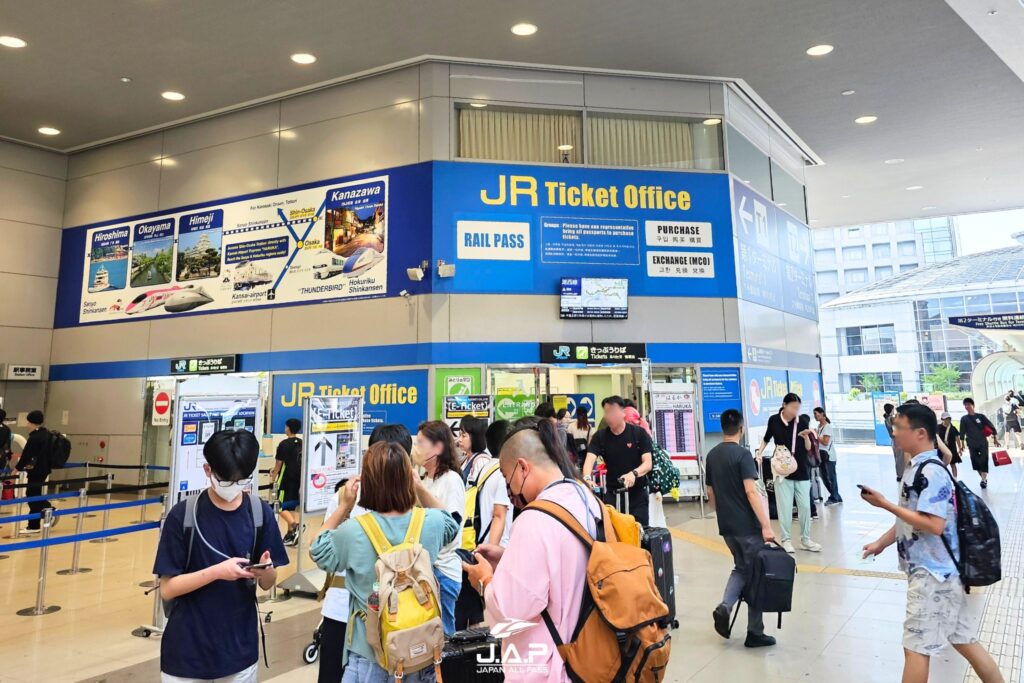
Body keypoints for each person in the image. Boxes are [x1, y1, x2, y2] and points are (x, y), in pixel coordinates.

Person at [861, 403, 1004, 683]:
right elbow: (913, 518)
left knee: (915, 649)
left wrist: (885, 505)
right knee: (964, 640)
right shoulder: (916, 468)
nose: (893, 433)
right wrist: (881, 542)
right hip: (942, 574)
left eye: (899, 427)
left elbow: (933, 525)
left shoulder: (931, 471)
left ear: (920, 433)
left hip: (932, 577)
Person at [462, 419, 601, 682]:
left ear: (523, 467)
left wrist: (484, 580)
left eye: (506, 478)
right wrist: (509, 560)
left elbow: (510, 610)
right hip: (588, 656)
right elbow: (565, 564)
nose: (509, 491)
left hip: (548, 665)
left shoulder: (534, 518)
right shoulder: (585, 498)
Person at [311, 441, 459, 683]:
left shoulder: (353, 531)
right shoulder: (430, 522)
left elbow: (318, 549)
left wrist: (344, 506)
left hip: (369, 657)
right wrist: (420, 488)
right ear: (408, 477)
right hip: (419, 653)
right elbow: (451, 523)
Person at [155, 429, 289, 683]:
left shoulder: (259, 513)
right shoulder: (183, 517)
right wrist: (218, 572)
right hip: (187, 654)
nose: (235, 487)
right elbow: (168, 588)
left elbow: (267, 583)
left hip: (239, 652)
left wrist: (267, 570)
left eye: (243, 480)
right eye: (227, 481)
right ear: (208, 471)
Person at [706, 409, 777, 648]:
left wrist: (722, 514)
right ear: (742, 428)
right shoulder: (743, 455)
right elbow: (750, 491)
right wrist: (766, 525)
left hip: (726, 527)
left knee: (742, 568)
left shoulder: (712, 455)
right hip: (748, 527)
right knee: (756, 575)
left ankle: (726, 606)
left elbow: (710, 494)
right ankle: (755, 632)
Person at [454, 415, 511, 629]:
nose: (460, 439)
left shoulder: (485, 468)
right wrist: (493, 549)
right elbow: (499, 514)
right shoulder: (501, 472)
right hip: (495, 548)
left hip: (478, 542)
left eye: (464, 434)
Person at [414, 421, 465, 635]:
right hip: (425, 568)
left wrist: (417, 488)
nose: (415, 448)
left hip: (442, 571)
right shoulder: (425, 479)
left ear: (437, 448)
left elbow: (451, 525)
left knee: (443, 638)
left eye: (420, 443)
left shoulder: (451, 480)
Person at [755, 394, 821, 554]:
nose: (795, 410)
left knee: (805, 507)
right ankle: (786, 540)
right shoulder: (774, 420)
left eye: (797, 408)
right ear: (784, 405)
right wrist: (759, 452)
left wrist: (806, 437)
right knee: (784, 508)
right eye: (792, 407)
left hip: (801, 470)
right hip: (781, 471)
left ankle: (806, 539)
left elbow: (807, 447)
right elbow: (766, 438)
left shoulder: (802, 421)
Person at [583, 396, 653, 526]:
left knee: (639, 533)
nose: (608, 416)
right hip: (612, 494)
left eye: (612, 412)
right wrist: (587, 478)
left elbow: (648, 463)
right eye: (606, 412)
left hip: (637, 494)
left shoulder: (638, 434)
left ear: (623, 413)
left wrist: (634, 474)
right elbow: (589, 460)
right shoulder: (600, 436)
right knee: (614, 532)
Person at [317, 478, 351, 683]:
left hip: (387, 610)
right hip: (340, 606)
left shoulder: (408, 498)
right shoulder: (343, 497)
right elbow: (320, 552)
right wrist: (345, 506)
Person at [623, 405, 667, 527]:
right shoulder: (643, 434)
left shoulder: (639, 438)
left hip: (644, 488)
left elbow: (646, 464)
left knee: (644, 526)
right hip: (650, 489)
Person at [14, 410, 56, 533]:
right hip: (45, 469)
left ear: (31, 422)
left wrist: (16, 469)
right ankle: (47, 512)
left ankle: (35, 524)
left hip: (36, 470)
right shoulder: (46, 434)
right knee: (34, 493)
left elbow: (26, 455)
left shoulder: (34, 437)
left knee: (32, 495)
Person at [270, 418, 302, 546]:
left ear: (288, 428)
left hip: (285, 479)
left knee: (279, 506)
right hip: (298, 479)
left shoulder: (283, 444)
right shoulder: (301, 443)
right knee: (291, 507)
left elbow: (278, 463)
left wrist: (273, 476)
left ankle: (295, 525)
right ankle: (290, 535)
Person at [960, 398, 999, 489]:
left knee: (983, 460)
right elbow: (962, 432)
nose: (967, 406)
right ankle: (983, 478)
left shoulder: (981, 416)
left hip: (982, 443)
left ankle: (983, 480)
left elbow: (991, 426)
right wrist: (962, 445)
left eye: (968, 404)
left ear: (973, 405)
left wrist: (995, 439)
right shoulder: (964, 419)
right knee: (975, 462)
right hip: (971, 443)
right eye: (965, 405)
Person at [814, 407, 842, 506]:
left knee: (831, 477)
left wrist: (817, 435)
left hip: (829, 456)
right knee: (823, 476)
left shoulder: (827, 427)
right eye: (814, 414)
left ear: (822, 414)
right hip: (821, 455)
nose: (815, 416)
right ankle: (836, 496)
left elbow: (825, 442)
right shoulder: (819, 426)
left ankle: (834, 497)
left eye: (817, 414)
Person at [940, 412, 964, 478]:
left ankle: (955, 479)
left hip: (952, 449)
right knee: (941, 465)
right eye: (946, 419)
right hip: (941, 449)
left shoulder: (953, 428)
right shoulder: (938, 427)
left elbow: (957, 439)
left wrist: (960, 448)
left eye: (949, 419)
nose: (947, 420)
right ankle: (942, 478)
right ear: (942, 419)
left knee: (953, 464)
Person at [884, 403, 905, 481]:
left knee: (897, 457)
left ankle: (899, 474)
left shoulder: (887, 419)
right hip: (897, 440)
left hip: (894, 441)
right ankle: (900, 475)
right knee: (900, 458)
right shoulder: (891, 419)